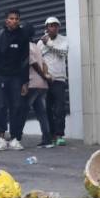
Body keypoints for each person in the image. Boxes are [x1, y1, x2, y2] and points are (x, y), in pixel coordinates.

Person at [0, 9, 31, 151]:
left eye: (16, 19)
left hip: (17, 77)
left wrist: (25, 82)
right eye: (11, 18)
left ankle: (15, 138)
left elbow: (25, 60)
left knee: (17, 107)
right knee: (0, 106)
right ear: (6, 20)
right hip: (0, 76)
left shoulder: (23, 37)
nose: (14, 21)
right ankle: (1, 138)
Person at [39, 17, 69, 146]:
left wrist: (49, 44)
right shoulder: (40, 43)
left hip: (59, 79)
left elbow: (63, 52)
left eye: (55, 26)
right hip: (46, 80)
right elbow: (37, 59)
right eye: (51, 26)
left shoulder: (63, 40)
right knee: (47, 109)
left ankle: (60, 135)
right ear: (46, 27)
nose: (53, 28)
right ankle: (51, 135)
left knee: (60, 108)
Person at [26, 40, 54, 148]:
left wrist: (42, 75)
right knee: (42, 113)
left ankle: (16, 136)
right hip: (42, 85)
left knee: (23, 110)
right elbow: (44, 63)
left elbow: (34, 63)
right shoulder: (36, 47)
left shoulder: (26, 46)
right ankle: (47, 139)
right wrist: (45, 76)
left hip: (33, 83)